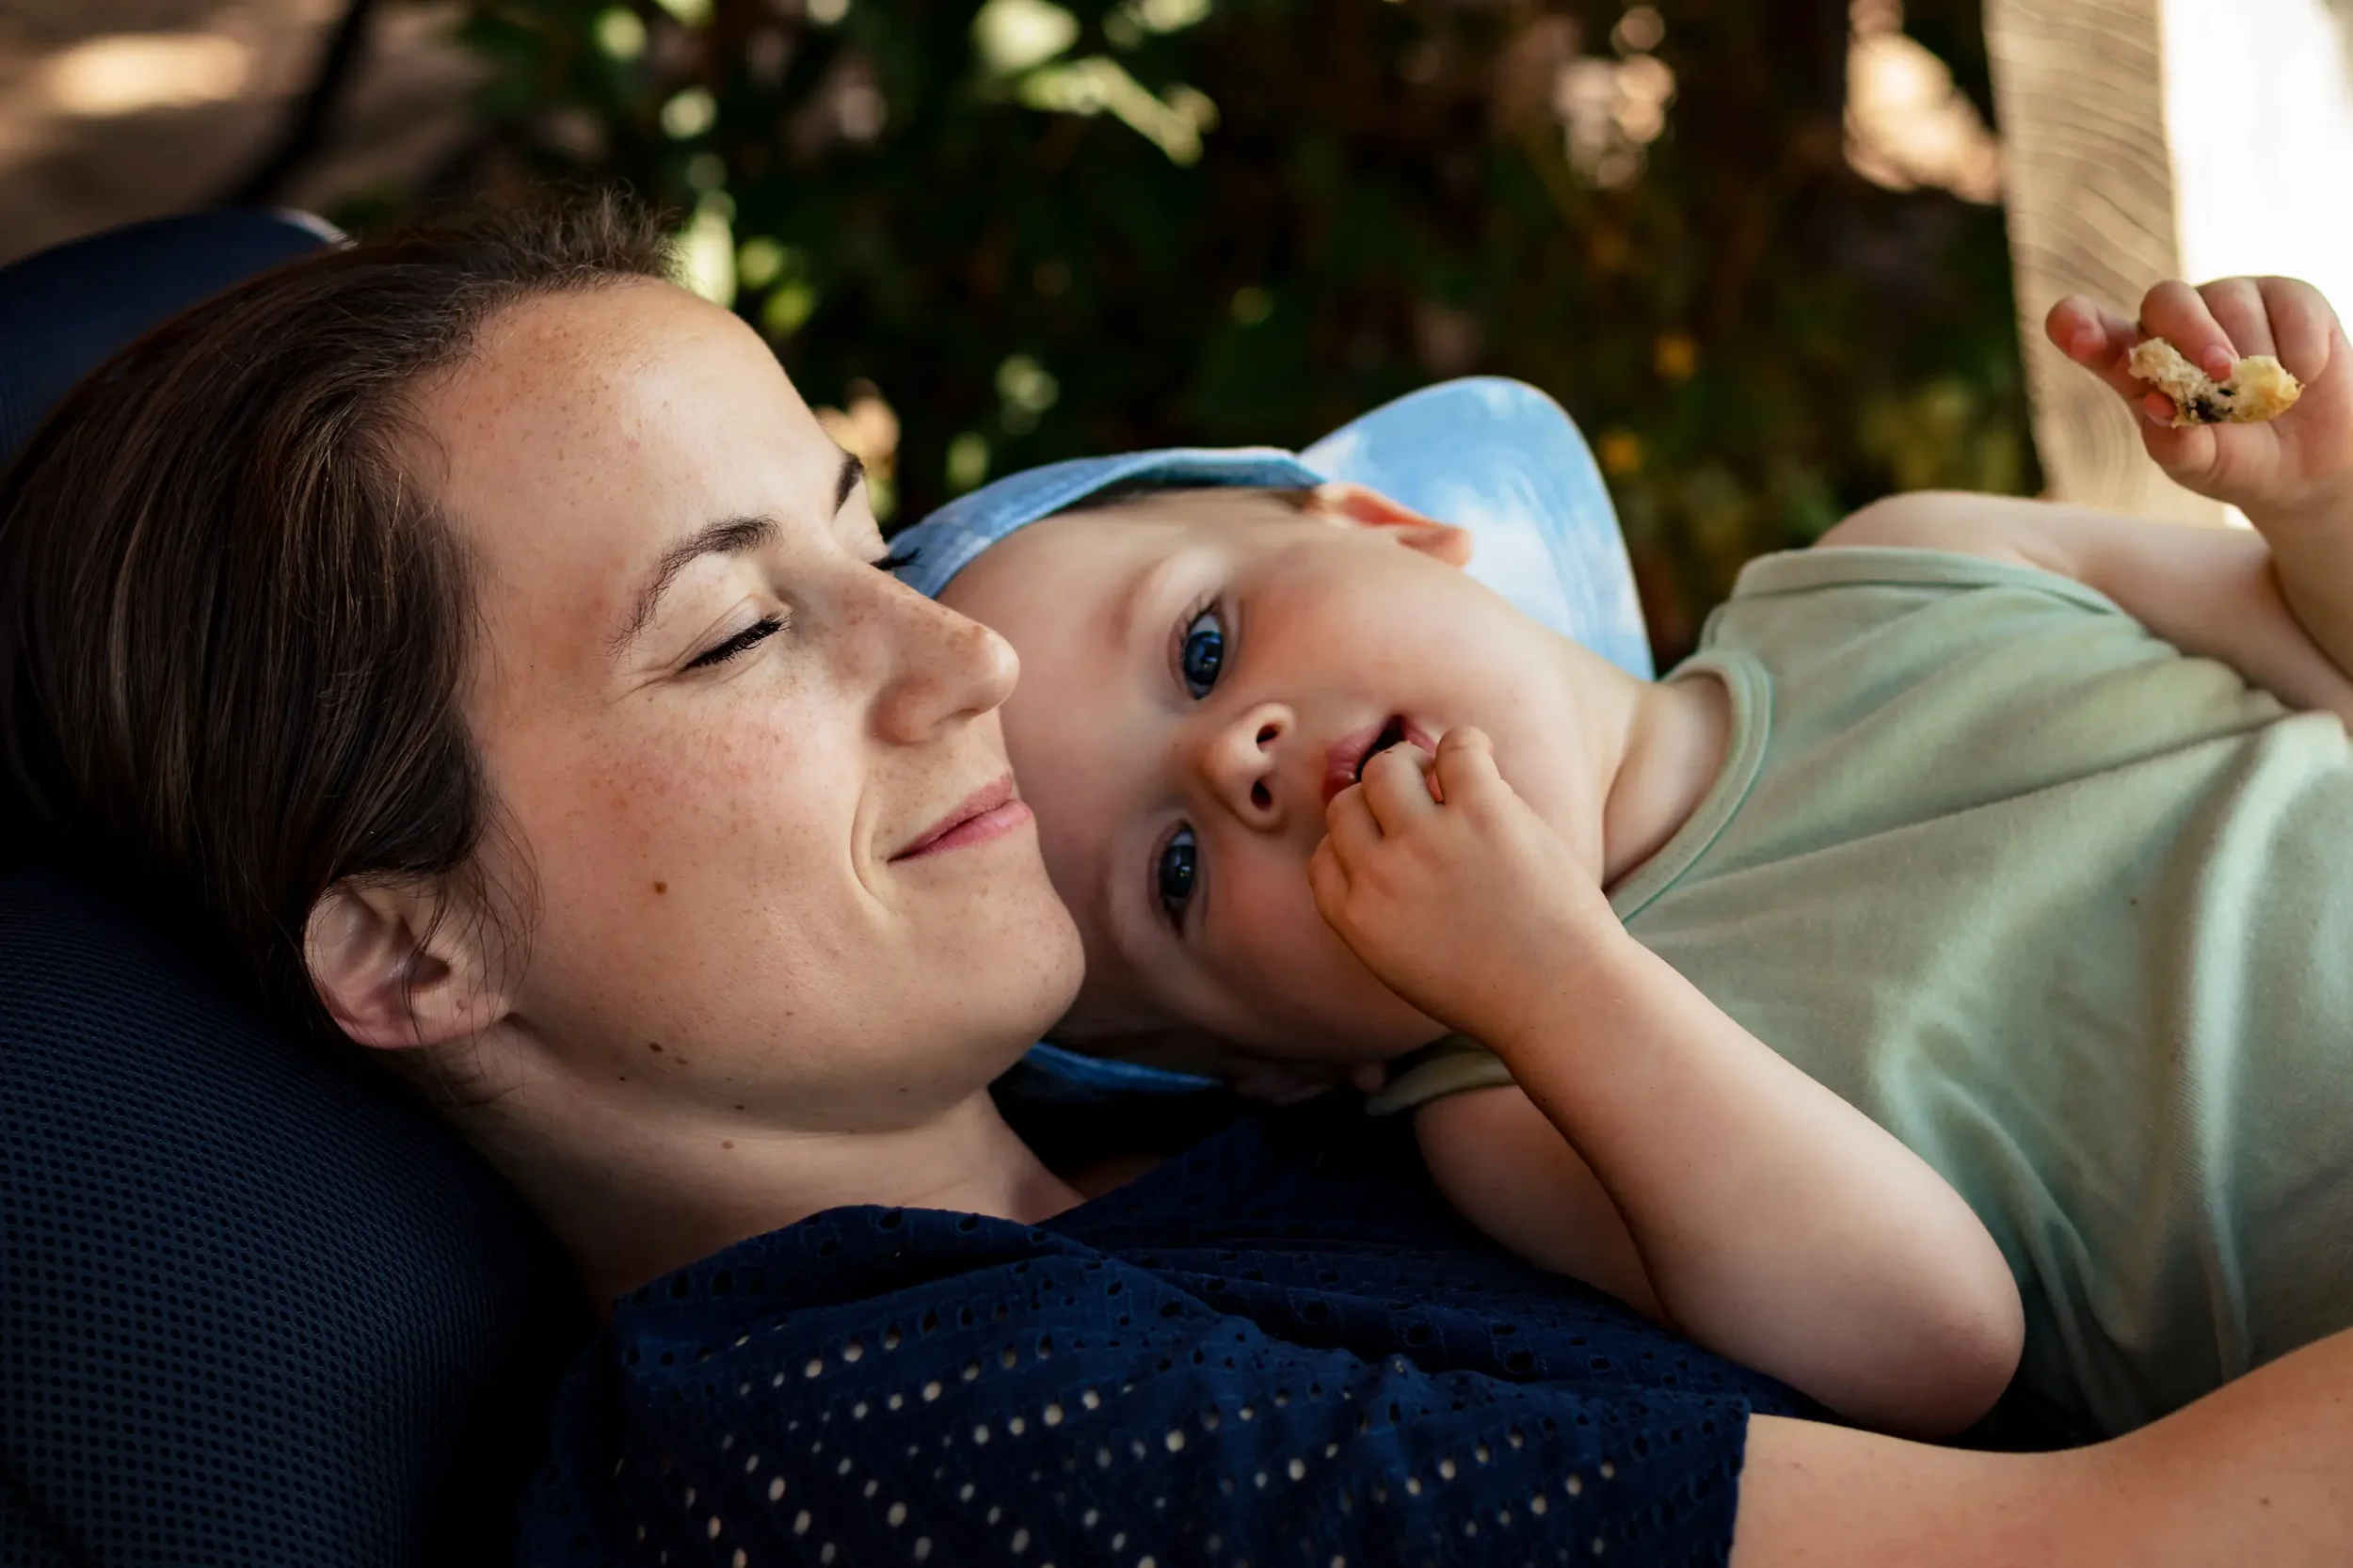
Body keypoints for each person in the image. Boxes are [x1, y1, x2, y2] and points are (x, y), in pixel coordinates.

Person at [8, 198, 2353, 1567]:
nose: (960, 660)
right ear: (410, 943)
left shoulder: (1261, 1114)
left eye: (855, 544)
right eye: (733, 631)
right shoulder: (882, 1420)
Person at [915, 275, 2353, 1443]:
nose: (1238, 758)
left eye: (1202, 647)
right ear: (1281, 1071)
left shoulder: (1912, 559)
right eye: (1175, 875)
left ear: (1387, 528)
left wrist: (2315, 505)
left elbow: (2323, 662)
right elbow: (1940, 1341)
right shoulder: (1515, 1105)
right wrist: (1549, 977)